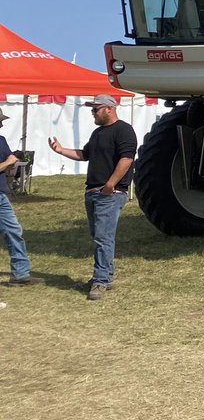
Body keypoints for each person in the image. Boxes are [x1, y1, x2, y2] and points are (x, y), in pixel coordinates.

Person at [49, 94, 137, 301]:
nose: (92, 113)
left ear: (109, 109)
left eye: (95, 109)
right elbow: (84, 154)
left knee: (102, 238)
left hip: (110, 194)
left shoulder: (123, 130)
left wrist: (111, 184)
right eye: (92, 110)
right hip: (93, 193)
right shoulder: (98, 133)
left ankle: (100, 281)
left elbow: (127, 159)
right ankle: (107, 274)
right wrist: (61, 151)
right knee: (100, 236)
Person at [0, 109, 37, 286]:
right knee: (13, 231)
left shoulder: (0, 140)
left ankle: (20, 274)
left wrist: (9, 161)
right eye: (0, 120)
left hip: (1, 195)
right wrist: (7, 163)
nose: (1, 123)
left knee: (14, 231)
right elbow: (10, 160)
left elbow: (11, 158)